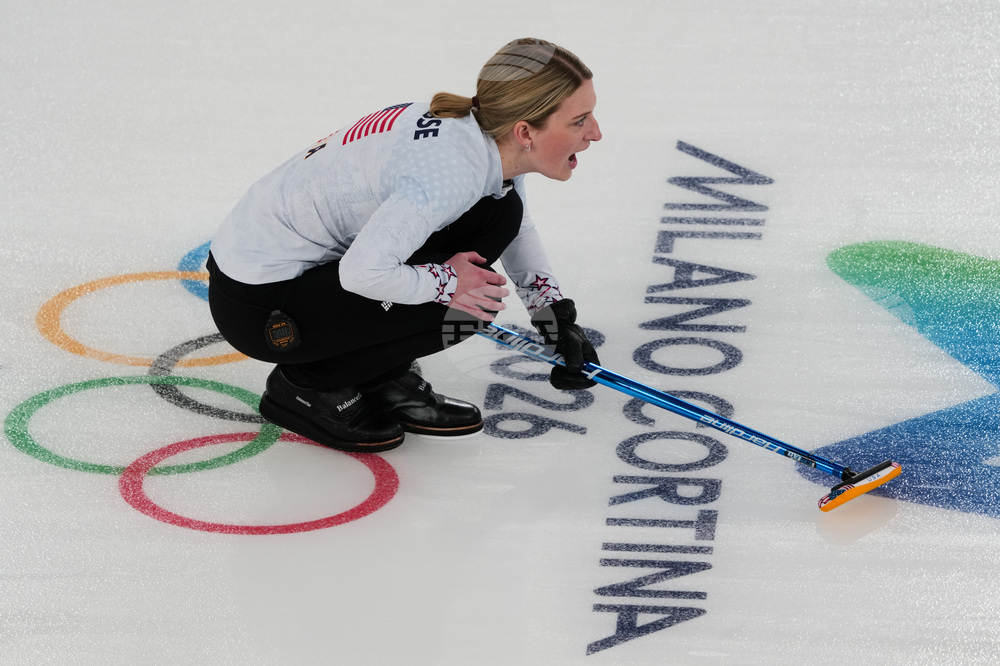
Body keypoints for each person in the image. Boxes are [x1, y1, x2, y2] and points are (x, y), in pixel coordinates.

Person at [207, 37, 602, 454]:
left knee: (497, 218)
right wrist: (449, 282)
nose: (595, 133)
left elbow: (515, 224)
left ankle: (378, 372)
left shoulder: (483, 136)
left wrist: (553, 315)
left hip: (284, 274)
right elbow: (362, 272)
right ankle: (310, 387)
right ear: (525, 131)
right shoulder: (448, 174)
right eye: (579, 121)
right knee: (470, 304)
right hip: (260, 307)